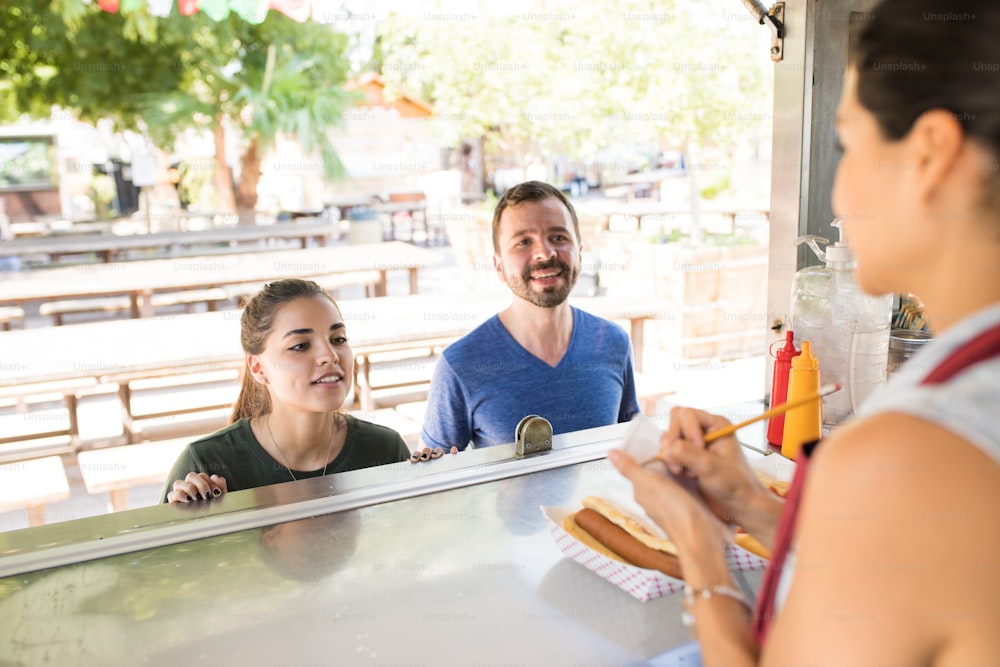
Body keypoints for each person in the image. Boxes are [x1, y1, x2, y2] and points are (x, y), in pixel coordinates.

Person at [609, 1, 1000, 664]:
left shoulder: (904, 453)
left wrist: (699, 543)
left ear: (930, 153)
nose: (839, 193)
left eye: (849, 144)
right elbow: (904, 572)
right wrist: (760, 511)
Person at [421, 180, 639, 450]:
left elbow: (631, 448)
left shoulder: (613, 343)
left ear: (580, 254)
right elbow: (433, 478)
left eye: (558, 237)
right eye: (523, 242)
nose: (544, 253)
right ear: (499, 266)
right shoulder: (460, 365)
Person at [163, 279, 410, 503]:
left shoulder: (386, 449)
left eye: (338, 339)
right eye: (300, 345)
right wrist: (186, 525)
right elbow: (162, 553)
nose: (330, 356)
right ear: (258, 368)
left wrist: (437, 482)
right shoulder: (205, 465)